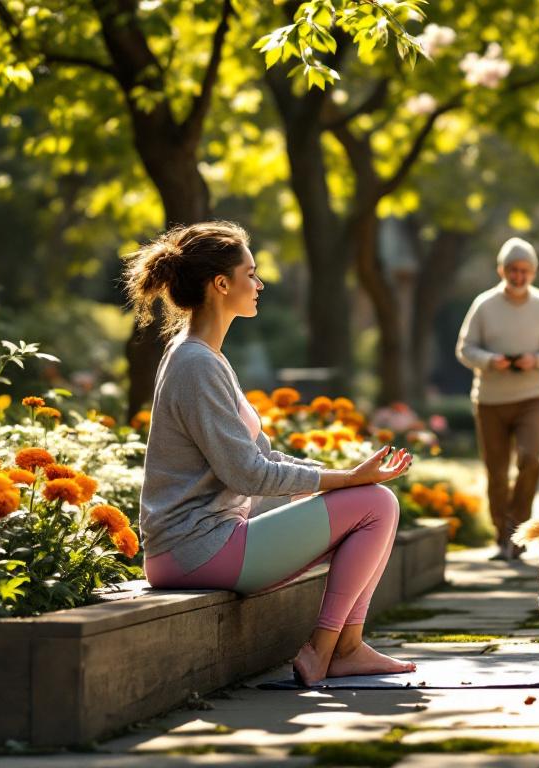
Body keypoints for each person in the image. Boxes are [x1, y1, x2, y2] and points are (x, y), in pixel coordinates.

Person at [127, 221, 416, 687]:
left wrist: (343, 476)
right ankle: (328, 651)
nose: (259, 284)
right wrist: (347, 482)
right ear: (221, 284)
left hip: (207, 541)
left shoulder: (205, 357)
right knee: (376, 504)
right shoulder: (196, 364)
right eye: (251, 273)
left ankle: (346, 648)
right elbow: (247, 474)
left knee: (376, 501)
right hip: (195, 550)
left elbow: (263, 457)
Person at [456, 237, 539, 560]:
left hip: (532, 396)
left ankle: (518, 530)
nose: (518, 276)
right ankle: (501, 535)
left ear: (533, 272)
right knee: (496, 472)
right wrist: (490, 360)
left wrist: (538, 360)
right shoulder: (484, 304)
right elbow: (464, 348)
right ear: (501, 270)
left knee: (530, 460)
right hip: (490, 399)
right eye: (512, 270)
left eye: (524, 270)